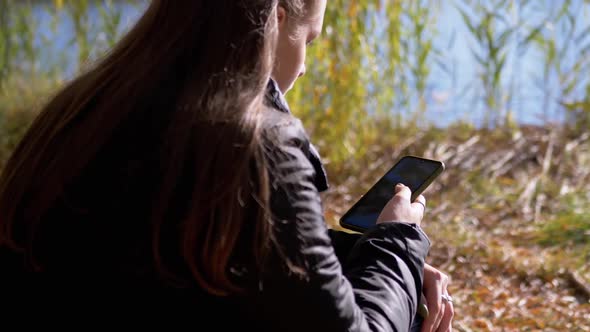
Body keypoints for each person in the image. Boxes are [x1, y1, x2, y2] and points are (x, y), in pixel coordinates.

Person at [0, 0, 453, 331]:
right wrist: (397, 239)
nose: (306, 66)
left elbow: (181, 243)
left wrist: (364, 257)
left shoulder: (86, 106)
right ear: (276, 16)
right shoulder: (254, 144)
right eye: (308, 39)